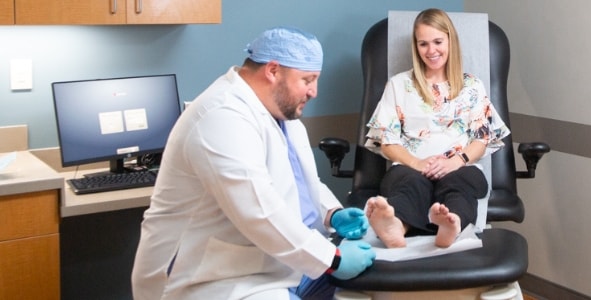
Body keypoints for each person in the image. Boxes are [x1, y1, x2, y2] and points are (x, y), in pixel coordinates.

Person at [131, 26, 375, 300]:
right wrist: (334, 259)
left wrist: (331, 213)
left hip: (275, 264)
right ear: (273, 71)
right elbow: (258, 210)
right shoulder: (221, 115)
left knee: (372, 287)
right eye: (307, 80)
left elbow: (297, 182)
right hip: (213, 278)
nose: (314, 91)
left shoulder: (279, 113)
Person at [363, 8, 510, 249]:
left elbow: (481, 140)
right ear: (416, 47)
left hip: (460, 167)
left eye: (438, 42)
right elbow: (387, 142)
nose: (431, 51)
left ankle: (451, 224)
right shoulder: (399, 85)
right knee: (411, 186)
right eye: (423, 44)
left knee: (458, 185)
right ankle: (396, 226)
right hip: (410, 168)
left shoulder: (472, 86)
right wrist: (417, 163)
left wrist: (456, 161)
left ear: (451, 41)